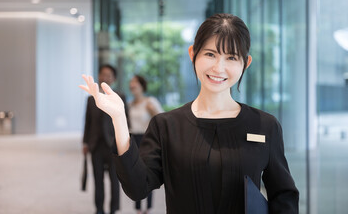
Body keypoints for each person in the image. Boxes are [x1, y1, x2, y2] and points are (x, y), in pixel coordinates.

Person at [80, 13, 299, 213]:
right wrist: (118, 119)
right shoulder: (166, 126)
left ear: (246, 63)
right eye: (211, 54)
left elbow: (284, 196)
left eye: (231, 57)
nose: (219, 68)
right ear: (193, 53)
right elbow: (138, 188)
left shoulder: (264, 125)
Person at [82, 64, 128, 214]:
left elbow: (125, 122)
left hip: (113, 146)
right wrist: (85, 142)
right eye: (102, 74)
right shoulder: (91, 99)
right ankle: (99, 209)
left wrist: (125, 144)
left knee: (115, 181)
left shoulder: (120, 97)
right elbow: (87, 122)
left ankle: (113, 209)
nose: (105, 77)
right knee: (98, 180)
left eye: (108, 75)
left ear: (114, 79)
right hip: (96, 145)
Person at [128, 75, 164, 214]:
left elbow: (162, 120)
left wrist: (152, 111)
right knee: (134, 173)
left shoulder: (150, 101)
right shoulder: (129, 104)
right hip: (133, 140)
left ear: (142, 86)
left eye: (135, 82)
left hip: (146, 139)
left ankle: (148, 208)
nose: (132, 85)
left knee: (147, 172)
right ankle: (137, 208)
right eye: (131, 82)